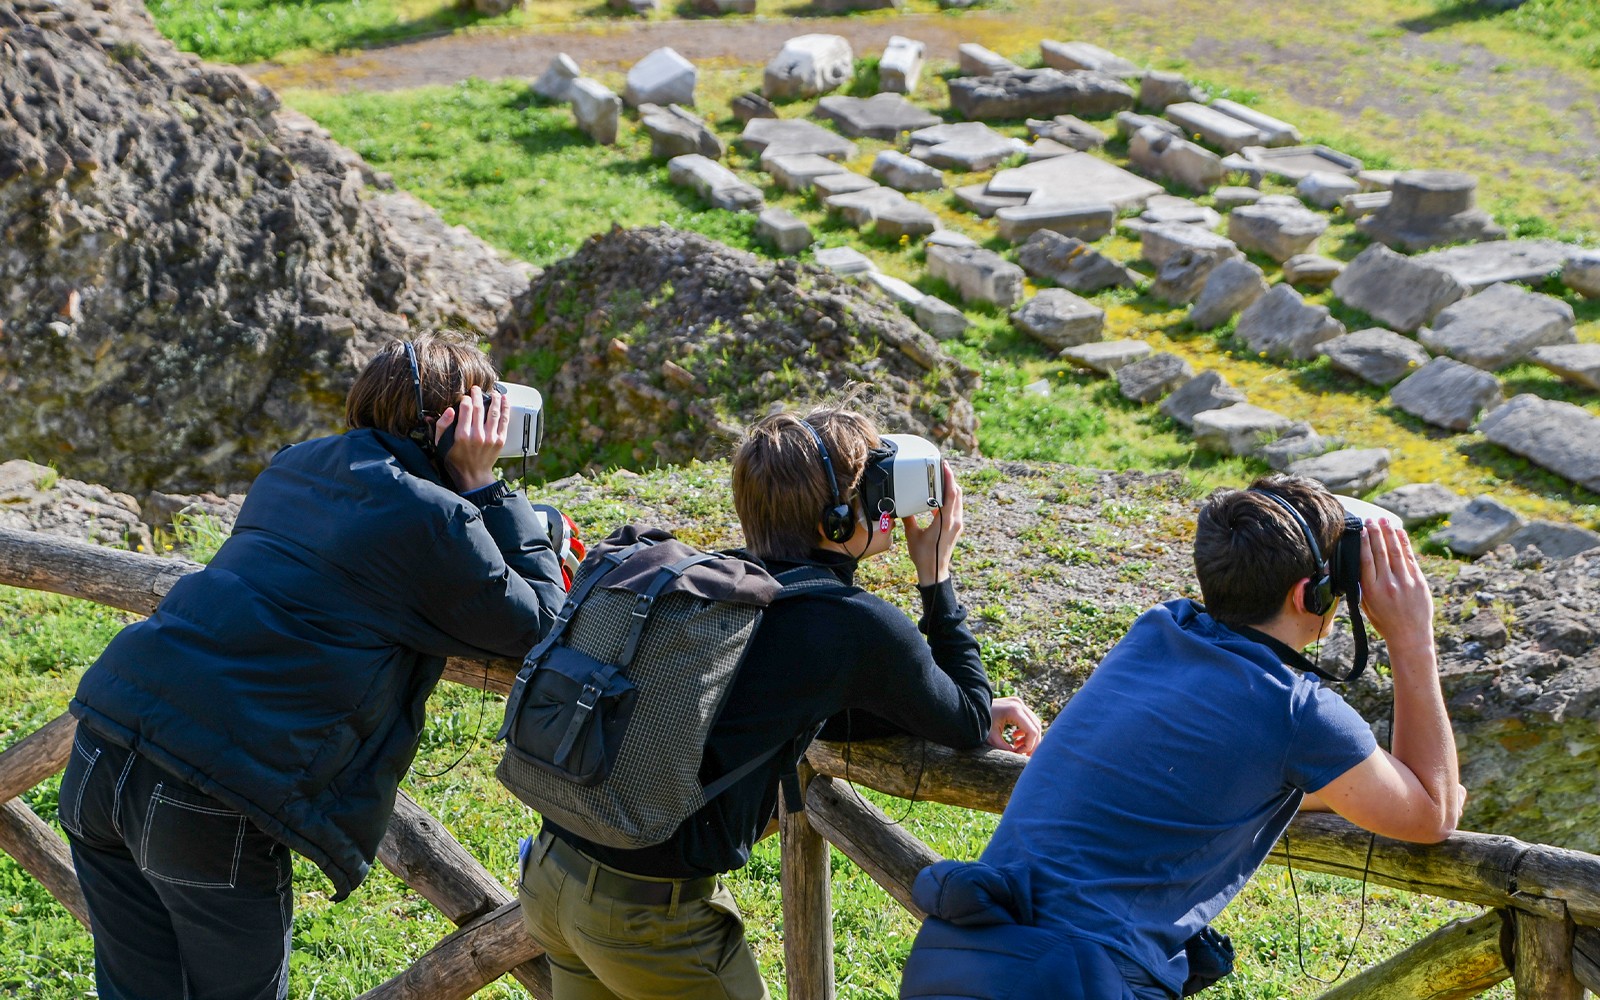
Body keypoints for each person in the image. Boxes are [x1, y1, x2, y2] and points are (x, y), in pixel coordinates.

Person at [61, 337, 574, 1000]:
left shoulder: (297, 464)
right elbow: (542, 625)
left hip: (103, 743)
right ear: (456, 423)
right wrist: (485, 487)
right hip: (204, 793)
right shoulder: (434, 515)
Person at [516, 407, 1044, 1000]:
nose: (884, 501)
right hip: (647, 923)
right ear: (838, 520)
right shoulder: (852, 626)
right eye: (873, 487)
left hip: (548, 876)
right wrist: (936, 572)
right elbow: (968, 718)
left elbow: (837, 709)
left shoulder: (724, 585)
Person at [900, 474, 1466, 1000]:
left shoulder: (1156, 630)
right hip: (1080, 976)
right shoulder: (1295, 711)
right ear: (1309, 596)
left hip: (960, 957)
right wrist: (1412, 636)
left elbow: (1206, 777)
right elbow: (1433, 814)